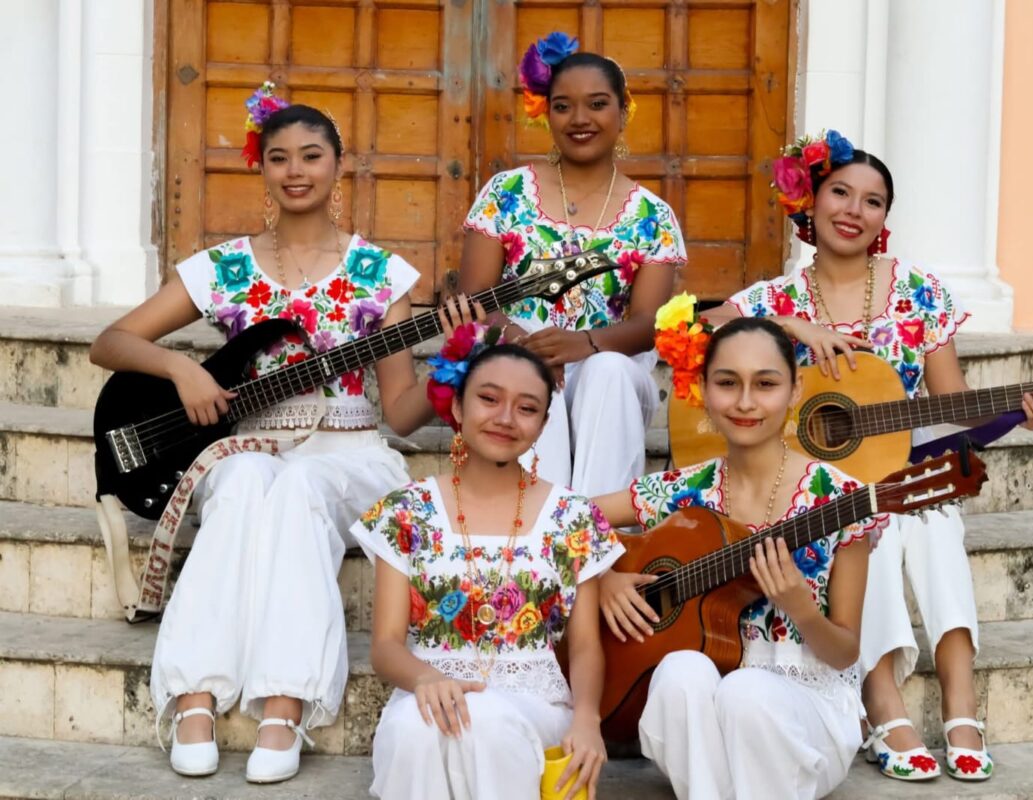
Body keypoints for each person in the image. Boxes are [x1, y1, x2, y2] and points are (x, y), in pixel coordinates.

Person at [89, 84, 475, 782]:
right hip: (250, 444)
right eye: (279, 157)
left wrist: (452, 360)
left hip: (352, 455)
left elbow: (401, 413)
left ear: (338, 165)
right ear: (260, 168)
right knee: (240, 483)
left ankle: (286, 701)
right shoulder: (226, 266)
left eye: (311, 156)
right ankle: (195, 694)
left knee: (298, 485)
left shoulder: (380, 275)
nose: (295, 170)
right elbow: (110, 342)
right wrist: (181, 369)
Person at [703, 130, 1033, 781]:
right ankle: (882, 700)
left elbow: (953, 408)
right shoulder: (774, 298)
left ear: (884, 220)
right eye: (840, 191)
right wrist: (792, 328)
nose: (854, 209)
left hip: (893, 464)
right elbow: (696, 320)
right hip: (801, 483)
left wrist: (1022, 414)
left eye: (873, 201)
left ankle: (960, 699)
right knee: (863, 518)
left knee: (925, 513)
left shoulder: (918, 293)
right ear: (810, 202)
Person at [592, 315, 883, 799]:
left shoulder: (839, 499)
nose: (746, 402)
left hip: (805, 705)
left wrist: (801, 608)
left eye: (765, 384)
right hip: (707, 721)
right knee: (679, 674)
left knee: (747, 694)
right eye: (728, 383)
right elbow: (565, 517)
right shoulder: (686, 490)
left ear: (794, 391)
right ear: (703, 389)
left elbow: (843, 652)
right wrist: (602, 574)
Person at [352, 335, 620, 799]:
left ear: (544, 424)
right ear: (457, 406)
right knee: (414, 731)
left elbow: (584, 648)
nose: (504, 418)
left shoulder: (574, 517)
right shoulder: (405, 513)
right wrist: (426, 677)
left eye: (526, 408)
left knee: (487, 721)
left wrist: (587, 719)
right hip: (427, 691)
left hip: (534, 700)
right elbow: (386, 645)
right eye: (489, 398)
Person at [458, 31, 686, 496]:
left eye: (597, 104)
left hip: (607, 370)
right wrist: (528, 345)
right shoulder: (507, 194)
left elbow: (649, 323)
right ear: (547, 115)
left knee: (611, 371)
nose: (579, 119)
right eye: (563, 106)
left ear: (623, 113)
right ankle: (535, 537)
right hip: (514, 352)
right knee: (525, 375)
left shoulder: (652, 216)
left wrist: (584, 343)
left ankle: (597, 536)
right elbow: (476, 299)